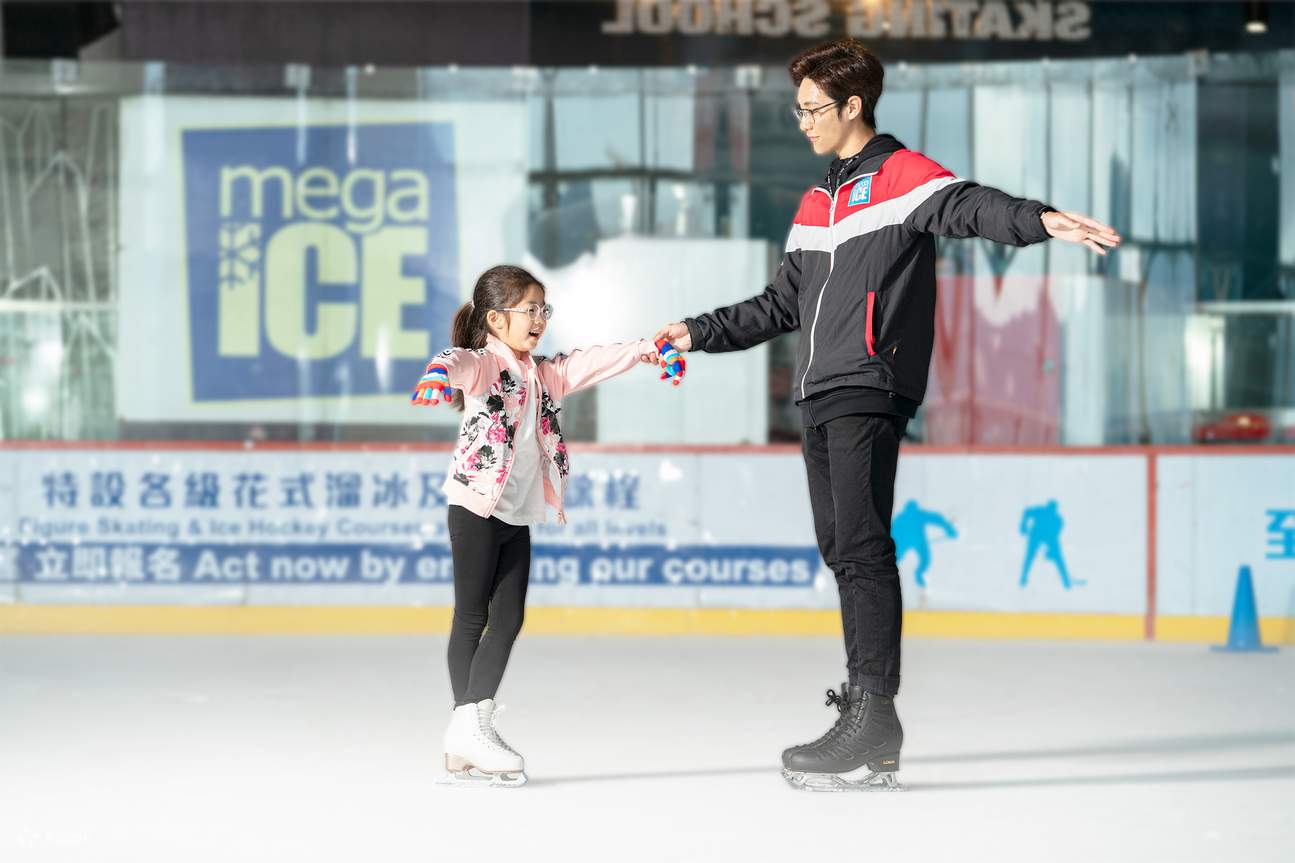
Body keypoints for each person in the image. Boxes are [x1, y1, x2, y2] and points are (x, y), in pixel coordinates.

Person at [653, 39, 1120, 792]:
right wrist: (695, 331)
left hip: (868, 384)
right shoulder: (814, 204)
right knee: (843, 546)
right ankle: (870, 718)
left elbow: (972, 206)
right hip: (817, 392)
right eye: (796, 108)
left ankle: (874, 709)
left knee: (862, 547)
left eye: (811, 109)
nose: (801, 121)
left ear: (852, 106)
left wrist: (1040, 220)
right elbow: (780, 304)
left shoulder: (902, 177)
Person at [413, 264, 659, 786]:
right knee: (471, 617)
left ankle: (465, 736)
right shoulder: (485, 365)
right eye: (530, 310)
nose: (540, 320)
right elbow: (456, 361)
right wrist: (439, 372)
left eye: (544, 310)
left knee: (509, 620)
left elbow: (591, 363)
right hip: (476, 507)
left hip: (516, 513)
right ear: (497, 320)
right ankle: (471, 726)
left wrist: (644, 349)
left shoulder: (543, 374)